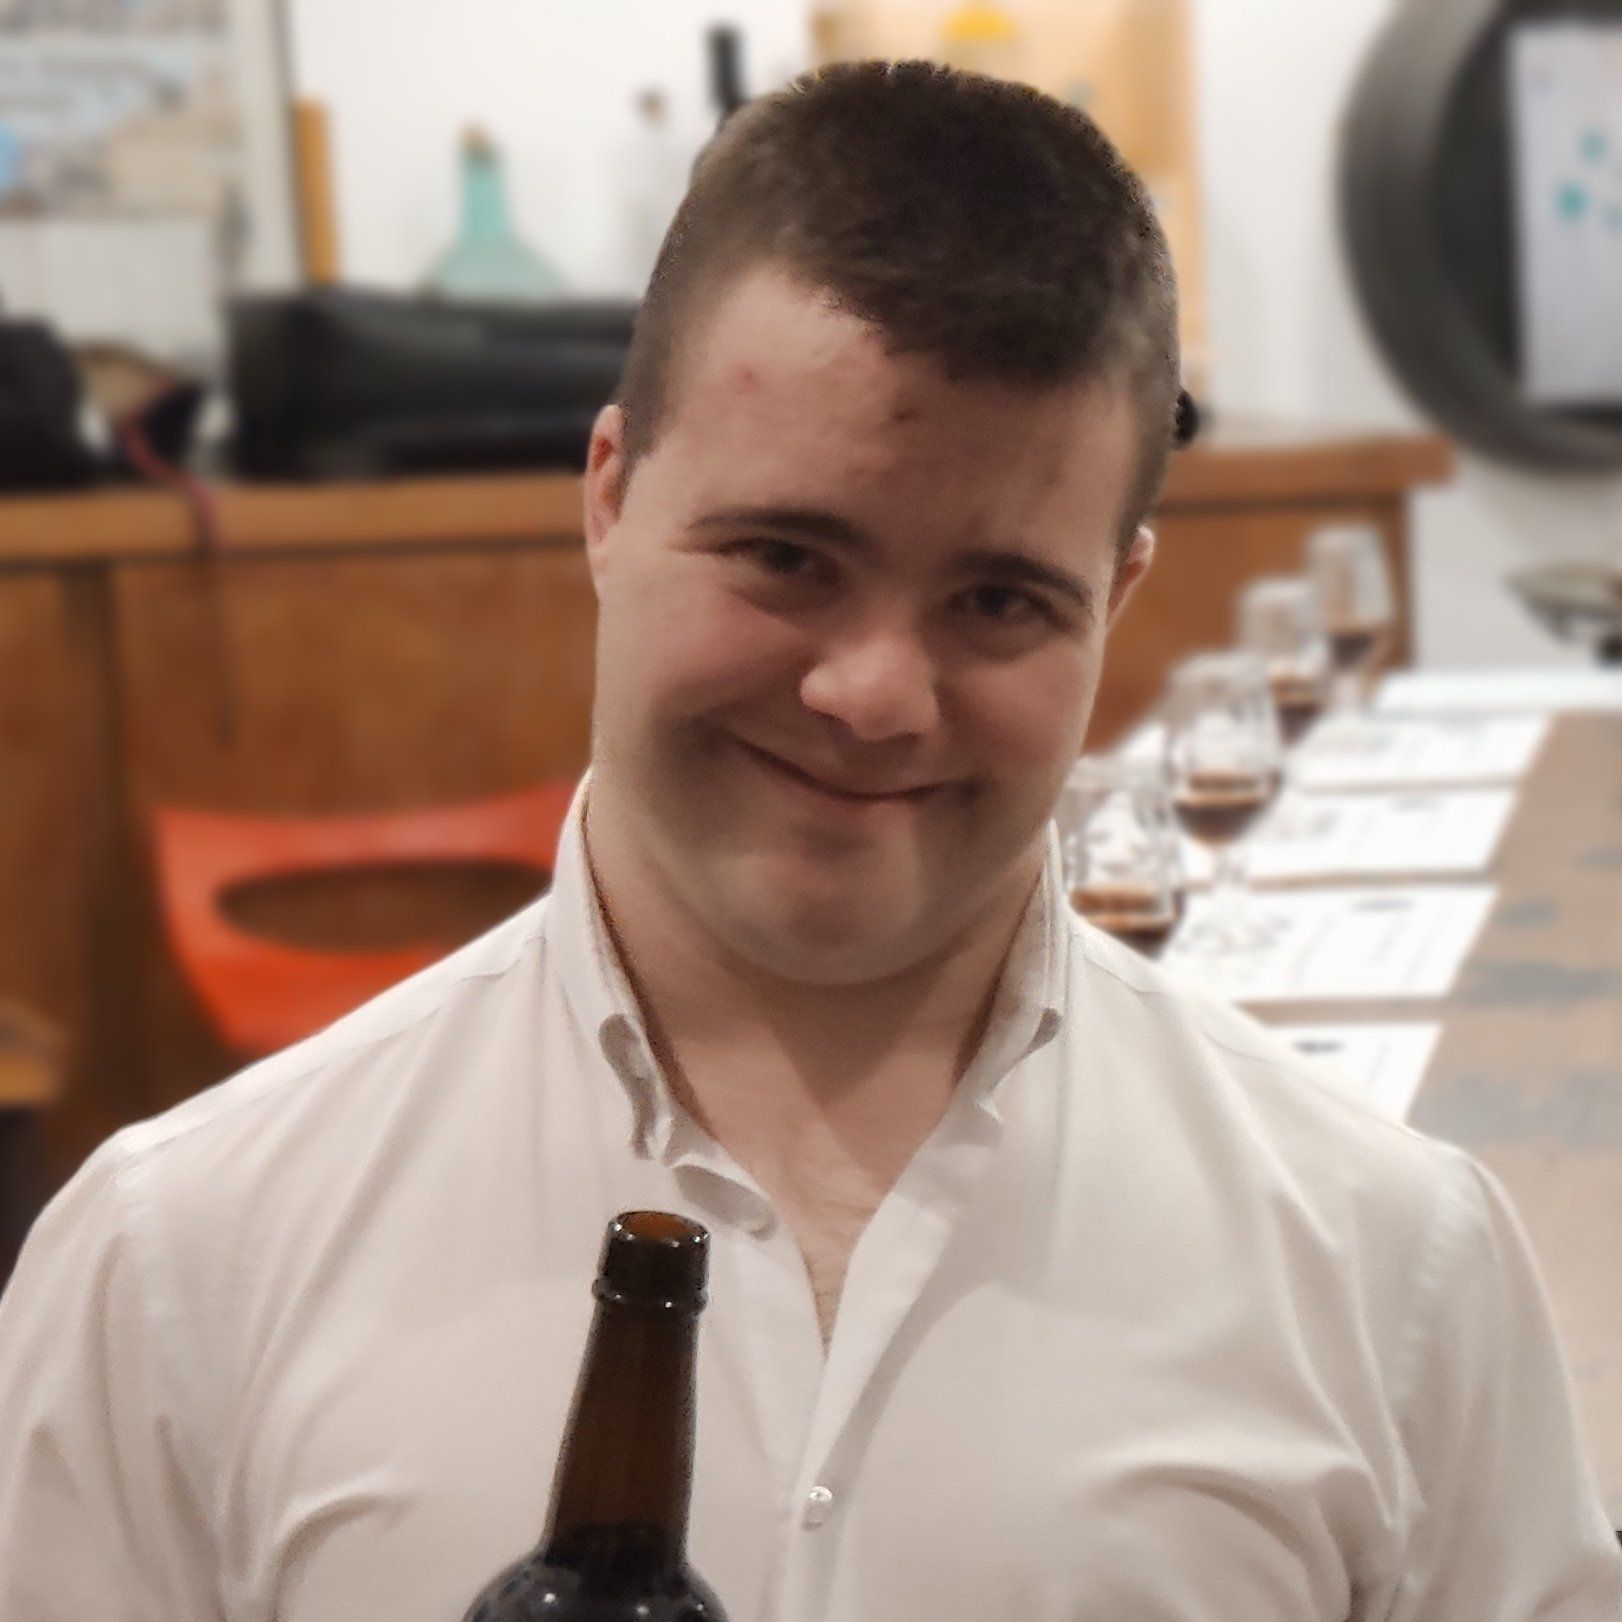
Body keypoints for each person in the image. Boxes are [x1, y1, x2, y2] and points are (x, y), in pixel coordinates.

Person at [0, 61, 1617, 1622]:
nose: (873, 694)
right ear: (609, 495)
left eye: (999, 598)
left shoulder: (1394, 1264)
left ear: (1115, 597)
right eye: (784, 555)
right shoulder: (178, 1262)